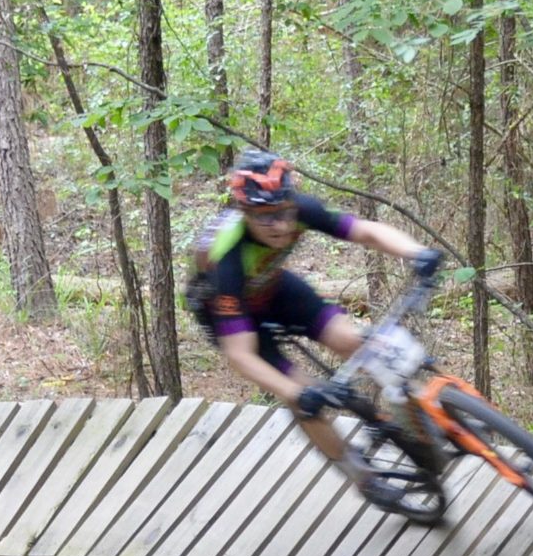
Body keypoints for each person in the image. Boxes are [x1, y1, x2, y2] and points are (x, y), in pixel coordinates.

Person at [188, 147, 441, 485]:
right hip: (234, 316)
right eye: (265, 217)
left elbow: (366, 231)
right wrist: (295, 394)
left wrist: (416, 252)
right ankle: (361, 477)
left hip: (273, 287)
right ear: (245, 212)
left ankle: (419, 420)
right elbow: (240, 355)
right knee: (303, 394)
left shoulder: (300, 208)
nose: (280, 226)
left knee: (354, 340)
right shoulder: (228, 259)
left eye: (284, 212)